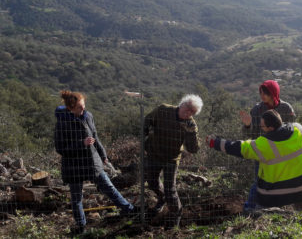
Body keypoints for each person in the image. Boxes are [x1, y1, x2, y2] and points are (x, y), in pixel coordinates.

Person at [208, 109, 302, 211]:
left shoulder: (264, 144)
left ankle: (252, 215)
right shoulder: (298, 128)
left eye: (262, 126)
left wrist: (215, 142)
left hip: (281, 192)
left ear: (270, 128)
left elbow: (238, 147)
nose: (261, 128)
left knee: (262, 210)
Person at [54, 90, 136, 234]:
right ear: (70, 108)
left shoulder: (88, 116)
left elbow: (95, 137)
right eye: (80, 107)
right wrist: (82, 143)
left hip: (92, 161)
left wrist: (103, 155)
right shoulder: (62, 123)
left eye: (83, 105)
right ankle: (81, 227)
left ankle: (128, 209)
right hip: (73, 166)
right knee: (76, 198)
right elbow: (60, 148)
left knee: (108, 187)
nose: (83, 108)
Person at [144, 94, 203, 227]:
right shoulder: (163, 110)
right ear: (182, 103)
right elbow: (146, 122)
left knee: (170, 190)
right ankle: (162, 198)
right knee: (152, 182)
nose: (188, 112)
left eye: (192, 112)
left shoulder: (190, 124)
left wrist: (191, 133)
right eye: (187, 108)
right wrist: (144, 142)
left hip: (172, 158)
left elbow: (193, 149)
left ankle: (175, 217)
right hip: (154, 153)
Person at [239, 80, 295, 211]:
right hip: (262, 151)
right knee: (259, 181)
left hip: (281, 153)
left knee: (279, 180)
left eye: (266, 93)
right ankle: (251, 208)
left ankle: (274, 208)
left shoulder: (286, 109)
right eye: (261, 92)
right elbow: (248, 134)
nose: (262, 95)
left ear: (274, 93)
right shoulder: (257, 109)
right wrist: (247, 125)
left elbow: (291, 129)